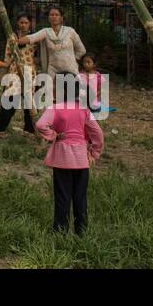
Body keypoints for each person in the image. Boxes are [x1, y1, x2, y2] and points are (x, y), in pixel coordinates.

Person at [36, 73, 103, 235]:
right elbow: (98, 133)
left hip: (62, 159)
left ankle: (60, 232)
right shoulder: (84, 110)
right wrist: (94, 153)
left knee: (62, 197)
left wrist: (53, 136)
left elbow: (40, 124)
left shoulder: (55, 108)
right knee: (80, 197)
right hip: (81, 160)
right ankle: (81, 232)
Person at [0, 12, 39, 137]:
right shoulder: (12, 37)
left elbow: (38, 57)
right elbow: (8, 56)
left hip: (30, 73)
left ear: (30, 24)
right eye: (21, 22)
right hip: (15, 73)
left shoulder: (35, 38)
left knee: (29, 103)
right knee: (9, 101)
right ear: (17, 23)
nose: (23, 25)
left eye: (26, 23)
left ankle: (29, 130)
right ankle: (0, 130)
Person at [25, 6, 85, 77]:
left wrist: (72, 60)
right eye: (52, 15)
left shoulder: (70, 31)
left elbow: (82, 50)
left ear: (61, 18)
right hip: (53, 71)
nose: (54, 17)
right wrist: (15, 40)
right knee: (53, 88)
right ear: (49, 18)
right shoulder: (46, 32)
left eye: (56, 15)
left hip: (71, 70)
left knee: (71, 88)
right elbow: (32, 38)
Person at [80, 53, 106, 122]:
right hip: (83, 102)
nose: (85, 64)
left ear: (94, 64)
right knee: (83, 120)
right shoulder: (80, 75)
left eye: (88, 62)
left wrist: (94, 95)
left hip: (94, 103)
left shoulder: (98, 75)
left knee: (94, 120)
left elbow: (101, 89)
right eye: (84, 62)